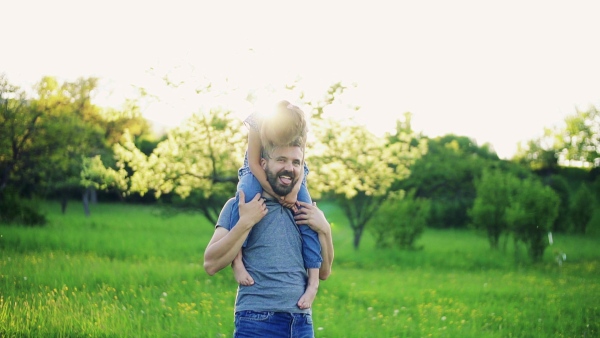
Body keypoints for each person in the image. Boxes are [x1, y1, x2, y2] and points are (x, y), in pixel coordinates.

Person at [203, 139, 334, 338]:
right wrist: (246, 222)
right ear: (263, 164)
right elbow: (210, 264)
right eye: (281, 160)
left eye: (296, 162)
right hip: (256, 322)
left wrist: (325, 230)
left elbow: (324, 272)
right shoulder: (240, 205)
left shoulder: (305, 211)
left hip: (301, 322)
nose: (289, 168)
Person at [229, 100, 321, 309]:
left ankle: (313, 281)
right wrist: (277, 194)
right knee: (243, 197)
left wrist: (295, 190)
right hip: (257, 170)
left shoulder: (302, 126)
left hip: (292, 173)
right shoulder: (258, 120)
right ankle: (237, 260)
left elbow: (301, 161)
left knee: (307, 216)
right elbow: (253, 162)